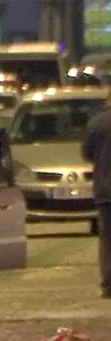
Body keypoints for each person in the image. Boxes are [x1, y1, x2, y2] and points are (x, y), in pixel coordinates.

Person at [81, 96, 111, 299]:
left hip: (105, 189)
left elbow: (87, 153)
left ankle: (109, 284)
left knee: (107, 239)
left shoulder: (97, 122)